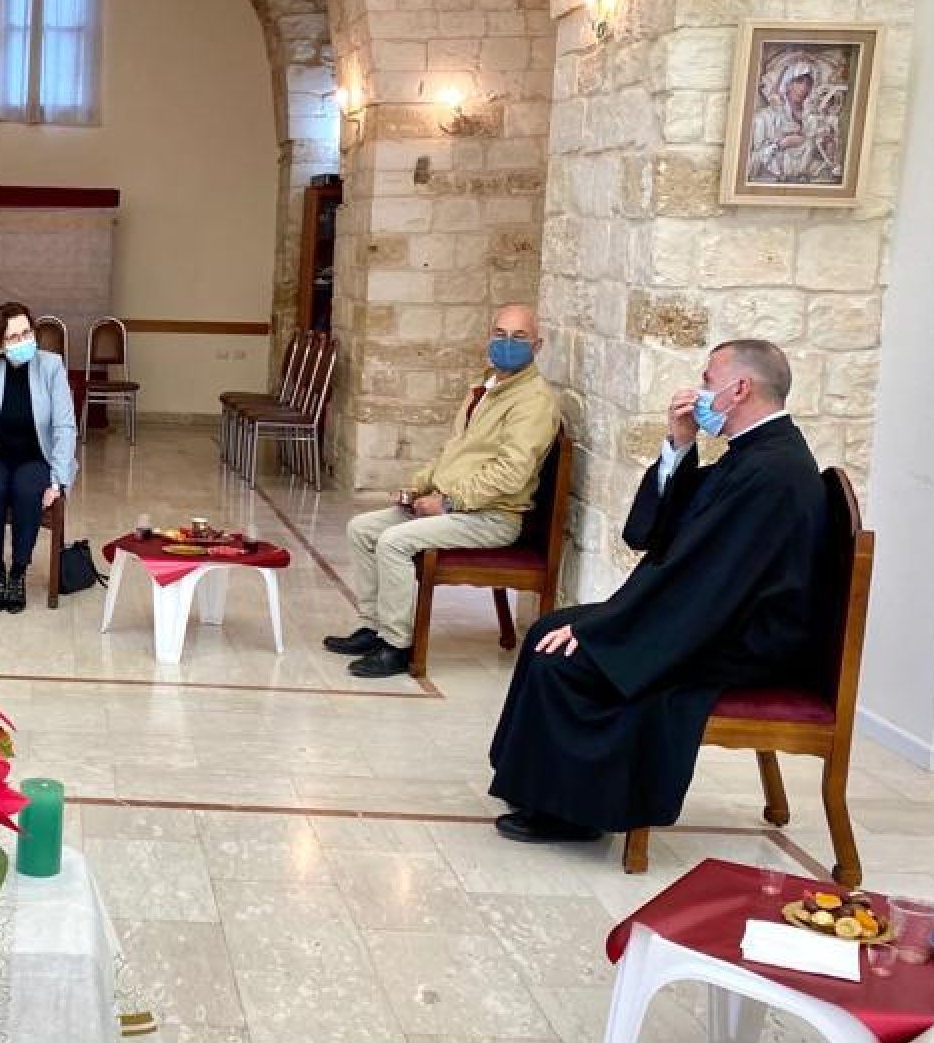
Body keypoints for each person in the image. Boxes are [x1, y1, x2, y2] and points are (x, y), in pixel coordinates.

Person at [486, 339, 826, 844]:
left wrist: (608, 629)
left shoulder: (773, 470)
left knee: (571, 659)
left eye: (708, 380)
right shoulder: (759, 452)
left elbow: (703, 577)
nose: (699, 390)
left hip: (744, 639)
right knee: (549, 630)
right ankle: (536, 787)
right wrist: (679, 444)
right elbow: (679, 535)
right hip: (721, 613)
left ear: (740, 389)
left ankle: (574, 812)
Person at [326, 303, 561, 678]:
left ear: (537, 346)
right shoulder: (486, 388)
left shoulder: (533, 402)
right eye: (500, 334)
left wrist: (449, 502)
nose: (507, 343)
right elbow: (454, 451)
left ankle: (397, 646)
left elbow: (511, 474)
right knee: (362, 529)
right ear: (488, 337)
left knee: (394, 542)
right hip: (458, 507)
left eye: (519, 337)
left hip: (490, 517)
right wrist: (418, 486)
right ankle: (374, 627)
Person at [0, 301, 77, 613]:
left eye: (27, 333)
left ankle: (18, 572)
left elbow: (65, 427)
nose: (23, 341)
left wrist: (58, 482)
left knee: (27, 489)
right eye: (14, 337)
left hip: (36, 457)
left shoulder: (51, 366)